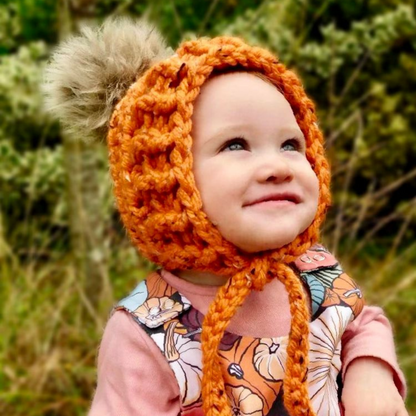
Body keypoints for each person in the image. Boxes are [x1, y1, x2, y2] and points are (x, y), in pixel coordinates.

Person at [44, 18, 408, 416]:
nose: (277, 166)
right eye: (236, 144)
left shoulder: (314, 271)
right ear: (165, 180)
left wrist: (368, 371)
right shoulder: (148, 332)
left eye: (290, 144)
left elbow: (360, 322)